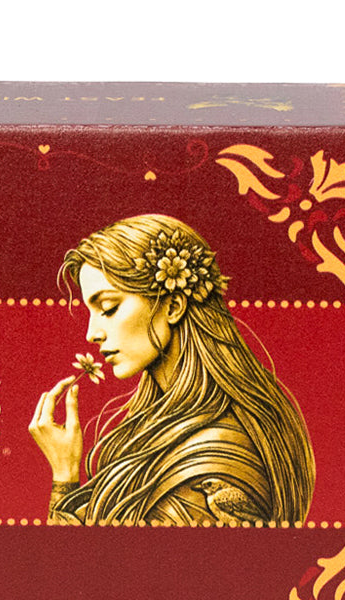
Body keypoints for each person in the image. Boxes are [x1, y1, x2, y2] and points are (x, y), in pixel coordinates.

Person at [29, 214, 315, 525]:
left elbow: (77, 558)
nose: (91, 333)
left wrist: (64, 476)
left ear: (173, 306)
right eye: (90, 312)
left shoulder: (206, 469)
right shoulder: (165, 425)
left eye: (108, 308)